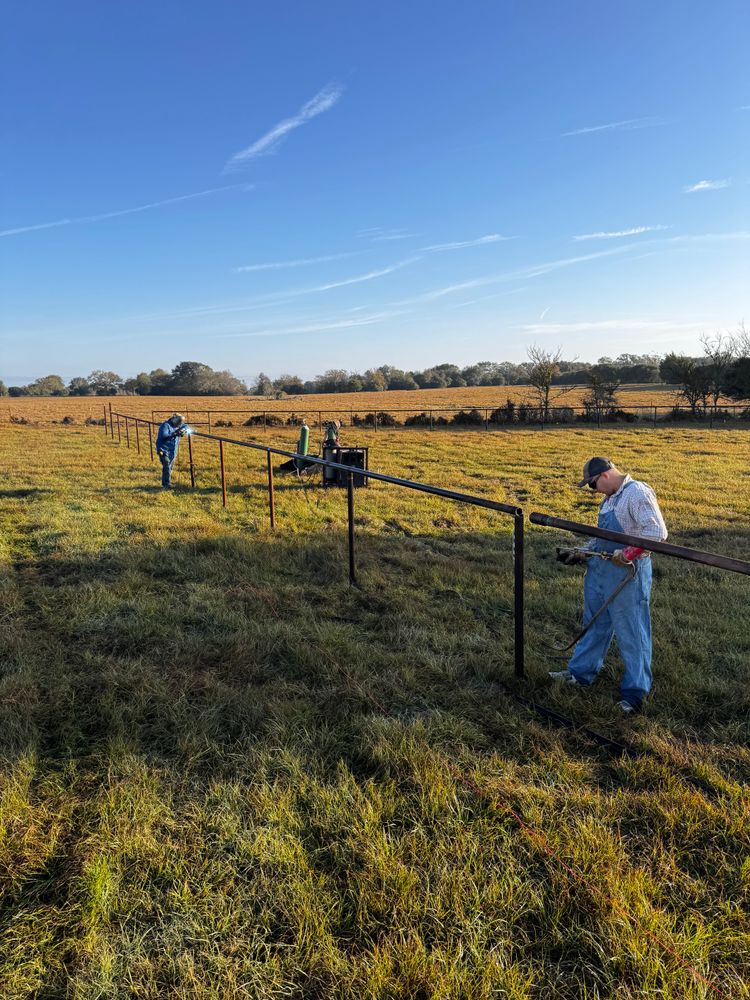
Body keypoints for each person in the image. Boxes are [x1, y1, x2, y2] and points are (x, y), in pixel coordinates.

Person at [549, 457, 667, 713]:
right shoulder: (610, 498)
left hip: (626, 577)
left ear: (604, 476)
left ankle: (635, 693)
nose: (594, 491)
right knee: (593, 624)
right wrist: (582, 551)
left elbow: (657, 532)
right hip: (600, 574)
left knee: (632, 632)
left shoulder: (636, 492)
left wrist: (628, 553)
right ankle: (580, 674)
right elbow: (602, 537)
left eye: (593, 485)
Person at [155, 413, 187, 489]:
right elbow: (163, 436)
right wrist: (175, 434)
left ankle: (166, 482)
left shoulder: (178, 425)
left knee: (170, 467)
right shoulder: (165, 425)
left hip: (173, 450)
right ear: (173, 419)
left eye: (180, 423)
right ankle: (166, 484)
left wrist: (183, 430)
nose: (179, 425)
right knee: (166, 464)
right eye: (178, 422)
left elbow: (186, 426)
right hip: (163, 449)